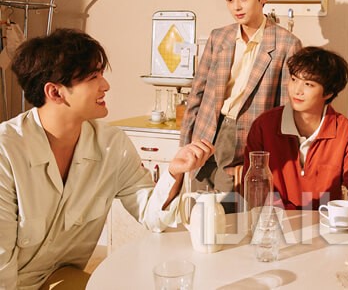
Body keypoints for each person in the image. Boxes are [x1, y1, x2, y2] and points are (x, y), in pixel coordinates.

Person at [0, 29, 214, 289]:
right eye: (93, 77)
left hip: (58, 277)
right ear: (55, 92)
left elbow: (152, 215)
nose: (105, 86)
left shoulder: (112, 145)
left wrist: (175, 172)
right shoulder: (6, 151)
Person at [180, 0, 301, 208]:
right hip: (207, 130)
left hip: (246, 138)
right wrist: (185, 143)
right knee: (198, 208)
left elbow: (285, 112)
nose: (236, 7)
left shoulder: (286, 44)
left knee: (230, 212)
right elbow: (197, 93)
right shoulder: (219, 37)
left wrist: (265, 160)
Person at [243, 47, 348, 236]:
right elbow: (256, 187)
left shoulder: (347, 134)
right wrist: (289, 221)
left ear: (328, 92)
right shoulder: (264, 126)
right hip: (274, 231)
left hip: (327, 234)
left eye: (308, 84)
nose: (297, 90)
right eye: (294, 79)